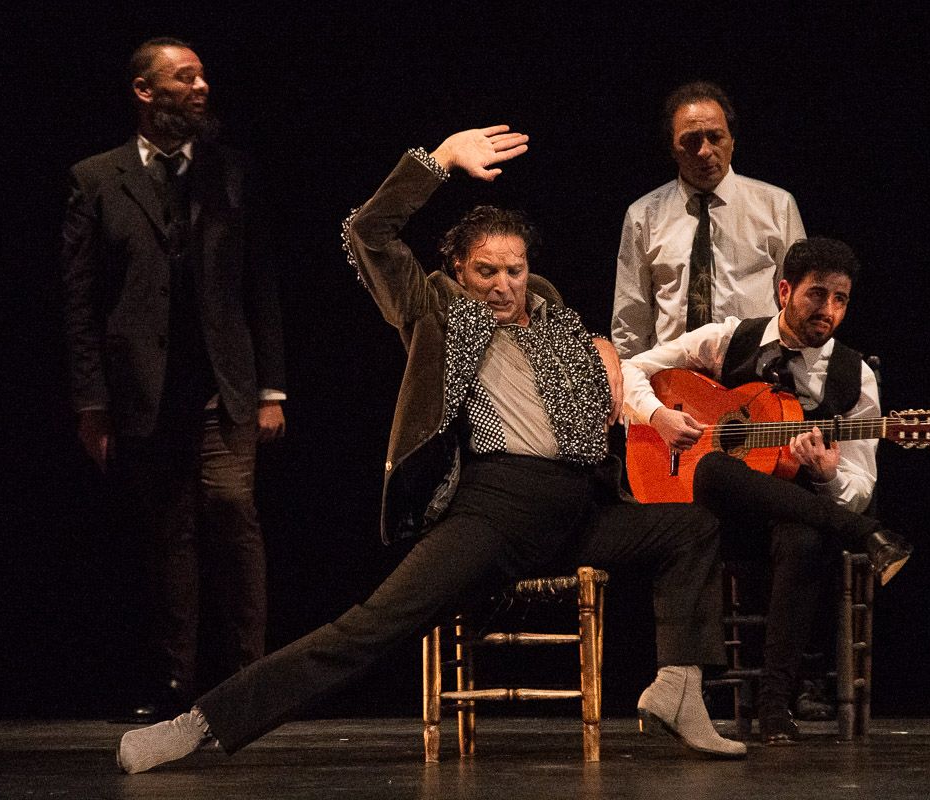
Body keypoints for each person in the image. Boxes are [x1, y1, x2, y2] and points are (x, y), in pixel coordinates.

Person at [115, 125, 750, 774]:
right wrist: (439, 162)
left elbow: (584, 351)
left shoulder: (551, 307)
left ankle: (678, 686)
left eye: (515, 269)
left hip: (578, 511)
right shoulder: (437, 310)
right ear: (456, 270)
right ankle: (201, 722)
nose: (504, 285)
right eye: (486, 271)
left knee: (690, 526)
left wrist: (607, 348)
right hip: (495, 511)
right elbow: (366, 234)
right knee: (368, 628)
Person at [62, 37, 286, 721]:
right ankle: (175, 687)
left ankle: (252, 679)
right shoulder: (96, 178)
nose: (199, 87)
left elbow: (261, 287)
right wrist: (92, 404)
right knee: (169, 535)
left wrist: (273, 389)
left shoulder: (232, 172)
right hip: (145, 391)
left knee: (233, 515)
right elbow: (79, 299)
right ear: (143, 90)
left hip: (226, 386)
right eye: (183, 77)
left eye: (202, 76)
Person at [620, 236, 912, 744]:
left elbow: (860, 485)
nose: (828, 310)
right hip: (713, 525)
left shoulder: (854, 375)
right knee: (713, 469)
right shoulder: (728, 338)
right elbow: (629, 369)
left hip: (795, 521)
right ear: (783, 291)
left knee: (801, 536)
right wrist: (660, 416)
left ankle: (776, 706)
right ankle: (868, 536)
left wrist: (825, 475)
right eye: (817, 295)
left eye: (840, 300)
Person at [612, 81, 806, 356]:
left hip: (755, 372)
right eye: (691, 140)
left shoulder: (777, 207)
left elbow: (799, 305)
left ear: (733, 141)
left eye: (715, 137)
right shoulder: (644, 215)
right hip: (673, 376)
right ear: (672, 148)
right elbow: (631, 316)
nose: (704, 151)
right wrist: (630, 385)